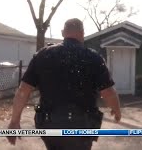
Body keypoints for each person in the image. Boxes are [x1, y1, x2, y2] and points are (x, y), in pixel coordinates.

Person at [6, 18, 121, 150]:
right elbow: (108, 92)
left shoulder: (43, 55)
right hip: (82, 126)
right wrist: (116, 110)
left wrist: (14, 121)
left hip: (50, 125)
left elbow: (23, 90)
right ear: (82, 33)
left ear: (62, 33)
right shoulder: (93, 58)